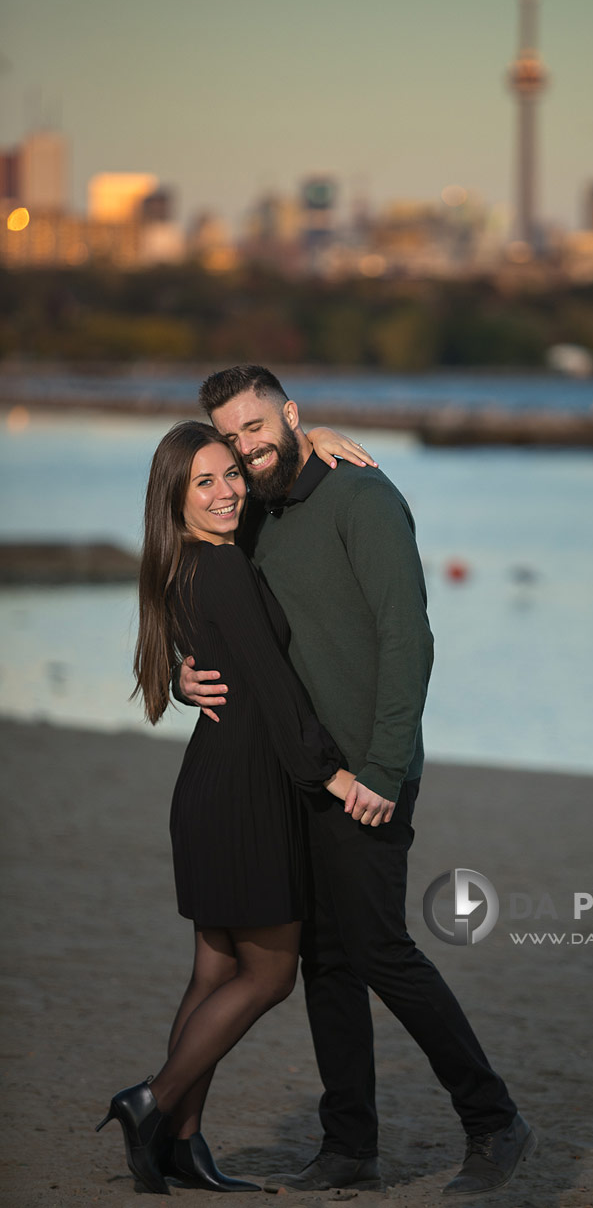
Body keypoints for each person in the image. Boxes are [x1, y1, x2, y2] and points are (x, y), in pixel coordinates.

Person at [178, 365, 535, 1197]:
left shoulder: (364, 498)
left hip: (366, 774)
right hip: (294, 772)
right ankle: (349, 1149)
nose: (245, 447)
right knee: (325, 962)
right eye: (230, 436)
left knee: (380, 950)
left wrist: (380, 767)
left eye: (257, 426)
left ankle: (494, 1121)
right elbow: (211, 604)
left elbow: (408, 638)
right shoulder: (250, 509)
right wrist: (178, 673)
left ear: (289, 414)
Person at [96, 419, 368, 1196]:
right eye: (204, 483)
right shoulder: (220, 570)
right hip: (245, 792)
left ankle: (180, 1147)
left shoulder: (184, 563)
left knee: (212, 973)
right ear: (174, 499)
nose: (226, 493)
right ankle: (150, 1100)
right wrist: (332, 776)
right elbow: (277, 692)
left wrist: (308, 435)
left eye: (231, 475)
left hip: (210, 786)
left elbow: (266, 458)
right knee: (270, 975)